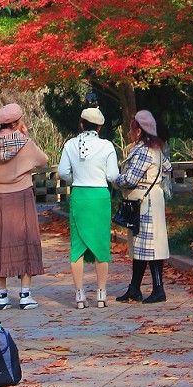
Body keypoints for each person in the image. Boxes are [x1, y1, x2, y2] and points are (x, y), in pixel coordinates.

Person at [0, 103, 48, 310]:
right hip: (21, 195)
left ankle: (2, 295)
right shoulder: (24, 142)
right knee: (26, 239)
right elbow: (43, 160)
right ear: (16, 122)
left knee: (0, 241)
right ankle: (25, 293)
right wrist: (27, 137)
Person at [57, 107, 119, 309]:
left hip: (80, 195)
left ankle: (79, 293)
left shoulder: (70, 144)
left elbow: (63, 172)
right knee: (101, 243)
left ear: (81, 124)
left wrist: (77, 177)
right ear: (100, 127)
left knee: (77, 246)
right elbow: (112, 175)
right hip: (100, 196)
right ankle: (101, 293)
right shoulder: (107, 146)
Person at [114, 110, 172, 304]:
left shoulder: (144, 150)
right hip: (149, 200)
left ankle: (158, 289)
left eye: (131, 129)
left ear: (139, 131)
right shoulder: (155, 148)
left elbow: (130, 179)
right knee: (141, 246)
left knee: (150, 247)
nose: (129, 132)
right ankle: (134, 288)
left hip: (144, 203)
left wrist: (114, 179)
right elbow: (167, 168)